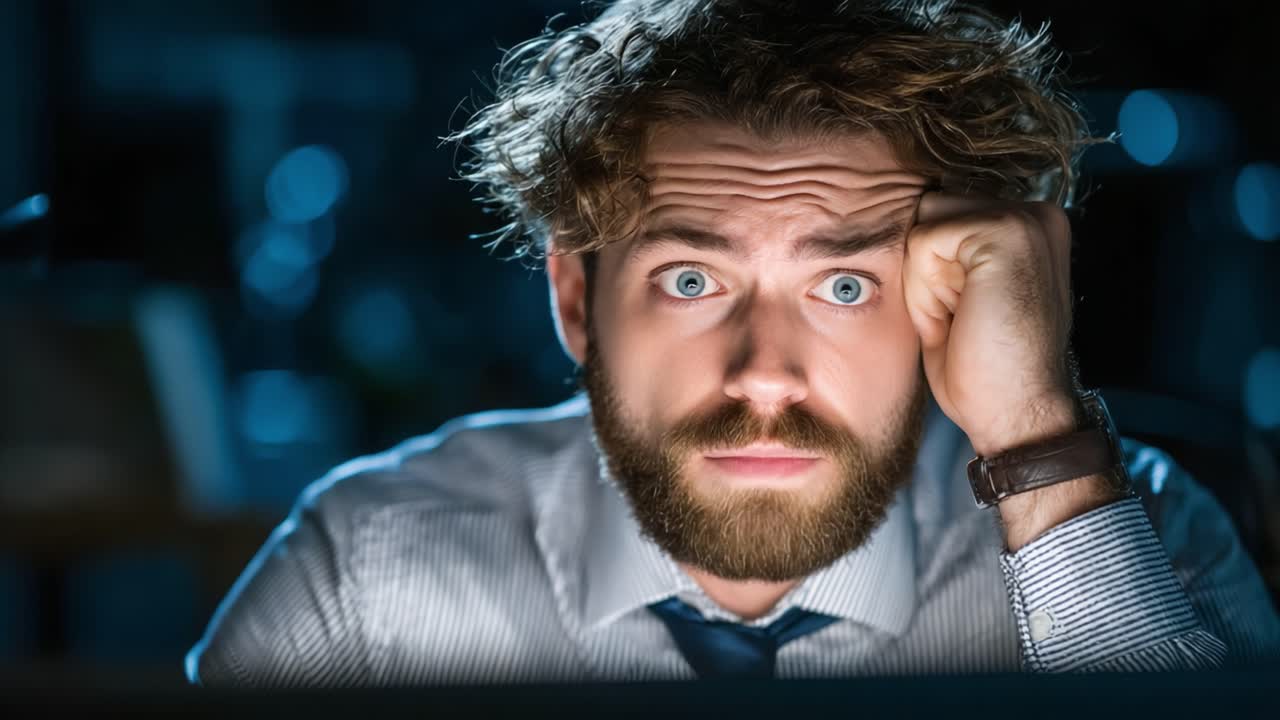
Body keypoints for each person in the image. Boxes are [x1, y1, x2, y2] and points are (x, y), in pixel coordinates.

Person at [186, 0, 1280, 686]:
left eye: (844, 283)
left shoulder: (1144, 529)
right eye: (691, 278)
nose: (763, 367)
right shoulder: (370, 571)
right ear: (574, 300)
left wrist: (1039, 445)